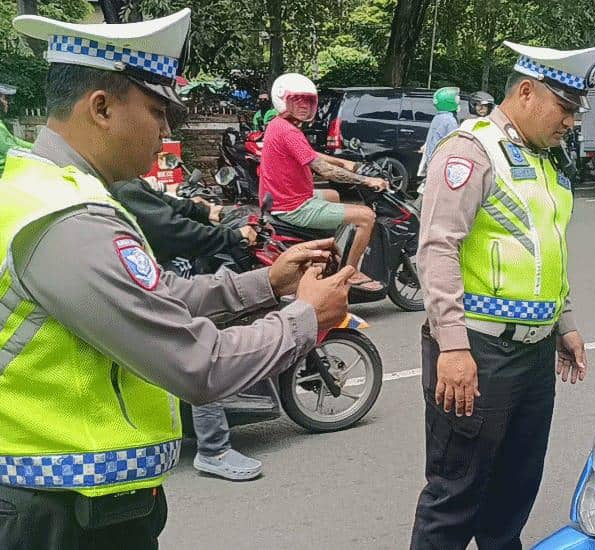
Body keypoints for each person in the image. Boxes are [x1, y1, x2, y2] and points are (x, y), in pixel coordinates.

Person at [0, 10, 355, 548]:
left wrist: (268, 284)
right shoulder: (69, 222)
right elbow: (199, 365)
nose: (168, 129)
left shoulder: (52, 189)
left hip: (79, 504)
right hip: (64, 516)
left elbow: (157, 294)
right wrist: (304, 318)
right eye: (157, 110)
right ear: (101, 108)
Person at [411, 40, 595, 549]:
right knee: (455, 498)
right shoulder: (469, 151)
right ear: (526, 92)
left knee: (513, 496)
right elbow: (437, 250)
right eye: (564, 108)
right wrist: (452, 345)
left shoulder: (545, 161)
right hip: (478, 351)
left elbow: (547, 250)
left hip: (535, 355)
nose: (570, 121)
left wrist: (565, 325)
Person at [108, 177, 265, 481]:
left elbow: (165, 205)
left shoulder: (125, 181)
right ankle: (214, 450)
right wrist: (233, 237)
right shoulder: (121, 187)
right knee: (197, 348)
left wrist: (207, 212)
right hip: (154, 279)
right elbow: (173, 229)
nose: (160, 135)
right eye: (156, 127)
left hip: (156, 272)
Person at [258, 72, 389, 292]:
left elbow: (311, 155)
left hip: (280, 199)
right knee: (366, 217)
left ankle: (327, 252)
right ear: (283, 100)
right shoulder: (288, 131)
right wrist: (365, 180)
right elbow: (323, 169)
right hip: (293, 206)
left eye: (308, 101)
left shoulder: (279, 125)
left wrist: (346, 163)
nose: (304, 106)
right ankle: (350, 271)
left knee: (333, 196)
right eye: (297, 100)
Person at [0, 82, 32, 176]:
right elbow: (12, 150)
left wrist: (37, 147)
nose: (6, 103)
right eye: (4, 98)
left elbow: (13, 140)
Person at [423, 86, 461, 162]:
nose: (458, 102)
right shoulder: (450, 120)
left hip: (432, 158)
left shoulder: (438, 117)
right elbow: (454, 143)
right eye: (456, 100)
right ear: (449, 102)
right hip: (441, 160)